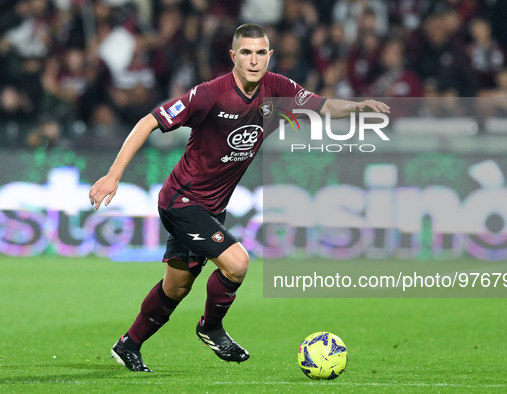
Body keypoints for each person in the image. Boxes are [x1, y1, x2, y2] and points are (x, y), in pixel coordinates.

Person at [88, 23, 390, 372]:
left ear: (269, 56)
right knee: (237, 263)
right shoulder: (209, 94)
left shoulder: (278, 89)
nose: (254, 60)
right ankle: (210, 328)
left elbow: (323, 107)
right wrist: (113, 176)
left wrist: (359, 107)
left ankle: (128, 345)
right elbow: (149, 121)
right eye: (246, 52)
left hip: (213, 208)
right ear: (233, 56)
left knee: (177, 286)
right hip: (182, 200)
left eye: (261, 52)